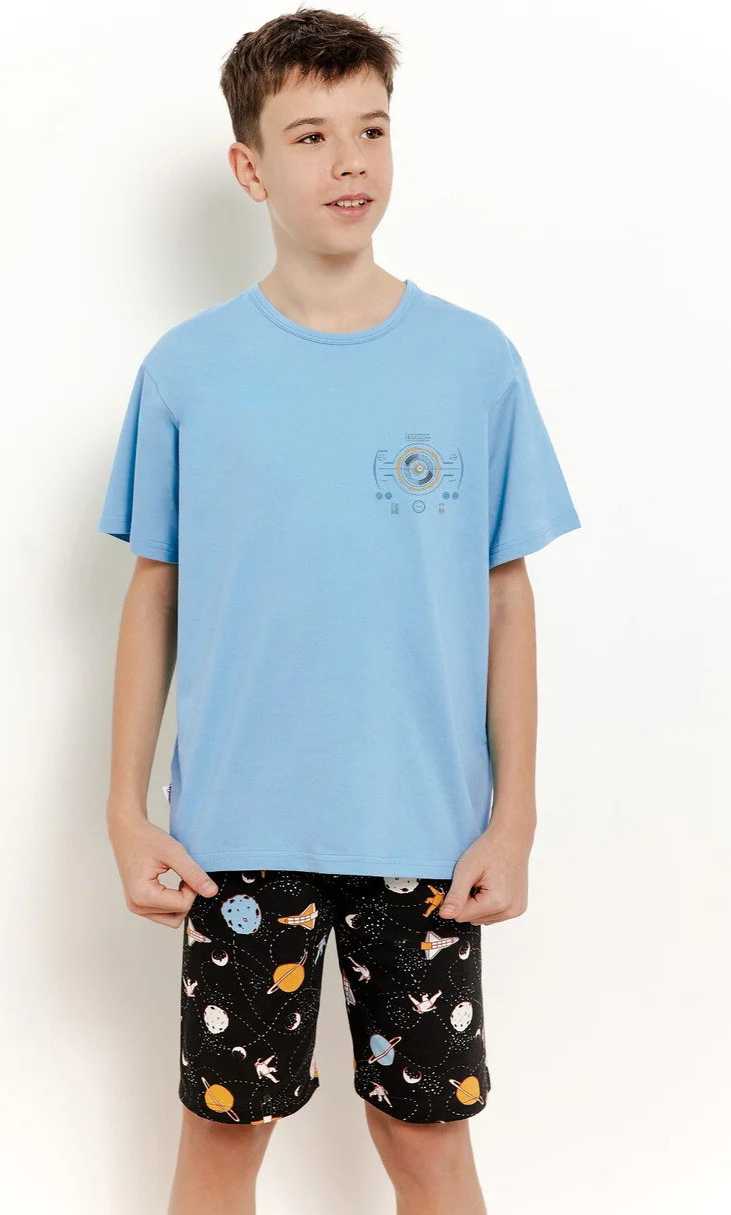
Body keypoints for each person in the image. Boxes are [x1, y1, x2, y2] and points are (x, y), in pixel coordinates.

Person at [96, 9, 581, 1215]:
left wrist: (514, 819)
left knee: (428, 1142)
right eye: (310, 136)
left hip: (426, 841)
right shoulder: (189, 371)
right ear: (251, 167)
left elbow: (505, 600)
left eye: (371, 128)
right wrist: (124, 809)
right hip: (234, 841)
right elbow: (154, 592)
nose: (350, 161)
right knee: (224, 1140)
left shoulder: (473, 363)